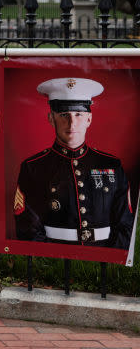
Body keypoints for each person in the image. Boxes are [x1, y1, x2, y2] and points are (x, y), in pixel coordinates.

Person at [13, 77, 133, 248]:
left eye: (78, 114)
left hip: (106, 256)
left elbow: (125, 224)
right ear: (51, 119)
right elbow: (28, 230)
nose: (72, 123)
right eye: (63, 115)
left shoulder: (111, 165)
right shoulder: (33, 167)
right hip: (55, 258)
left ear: (89, 119)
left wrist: (109, 263)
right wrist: (54, 263)